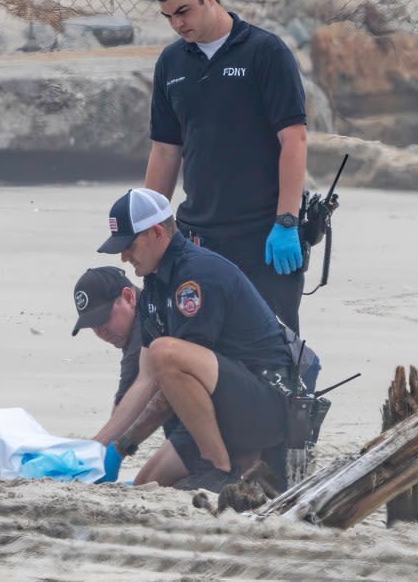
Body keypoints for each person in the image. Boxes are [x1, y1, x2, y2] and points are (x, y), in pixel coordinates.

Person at [145, 0, 309, 336]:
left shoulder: (266, 53)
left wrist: (287, 221)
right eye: (168, 16)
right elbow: (166, 149)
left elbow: (294, 139)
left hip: (264, 237)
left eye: (183, 11)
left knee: (273, 350)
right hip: (197, 237)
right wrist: (148, 224)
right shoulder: (170, 64)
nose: (177, 24)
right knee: (196, 346)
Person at [93, 188, 296, 491]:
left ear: (156, 232)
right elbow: (145, 381)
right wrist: (96, 448)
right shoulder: (153, 289)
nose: (124, 257)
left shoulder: (196, 276)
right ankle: (238, 468)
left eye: (129, 245)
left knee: (164, 352)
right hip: (218, 406)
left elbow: (171, 379)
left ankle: (220, 468)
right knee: (146, 483)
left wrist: (124, 446)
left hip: (265, 405)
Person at [70, 266, 143, 411]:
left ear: (129, 297)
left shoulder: (144, 334)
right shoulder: (142, 309)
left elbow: (122, 411)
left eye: (105, 319)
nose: (101, 332)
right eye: (93, 325)